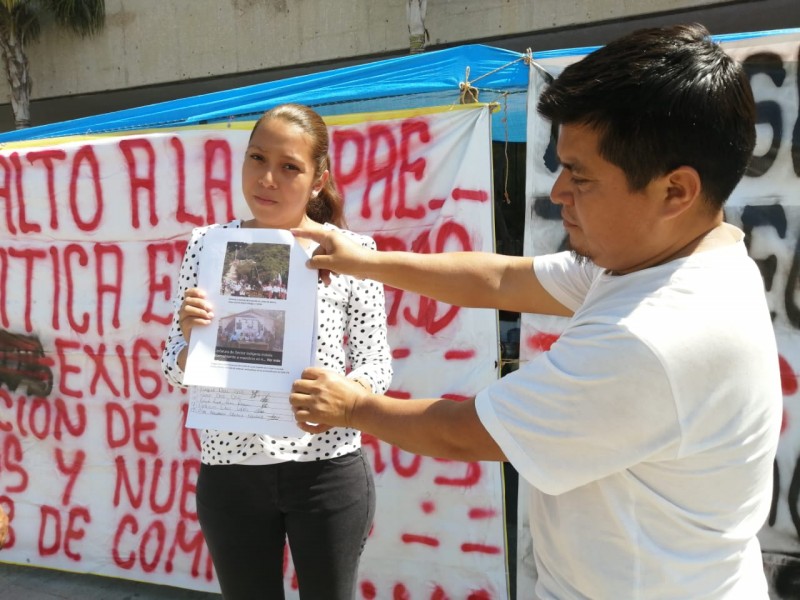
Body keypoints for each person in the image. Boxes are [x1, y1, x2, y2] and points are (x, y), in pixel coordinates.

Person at [289, 24, 781, 599]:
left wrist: (351, 405)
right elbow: (502, 278)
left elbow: (462, 434)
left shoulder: (649, 335)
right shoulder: (667, 260)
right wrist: (364, 262)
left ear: (676, 191)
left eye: (582, 175)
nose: (558, 192)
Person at [161, 103, 393, 600]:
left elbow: (377, 362)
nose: (267, 178)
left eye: (289, 167)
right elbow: (173, 367)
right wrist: (191, 340)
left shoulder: (351, 250)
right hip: (230, 473)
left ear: (317, 180)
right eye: (256, 159)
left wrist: (344, 394)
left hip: (326, 467)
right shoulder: (209, 245)